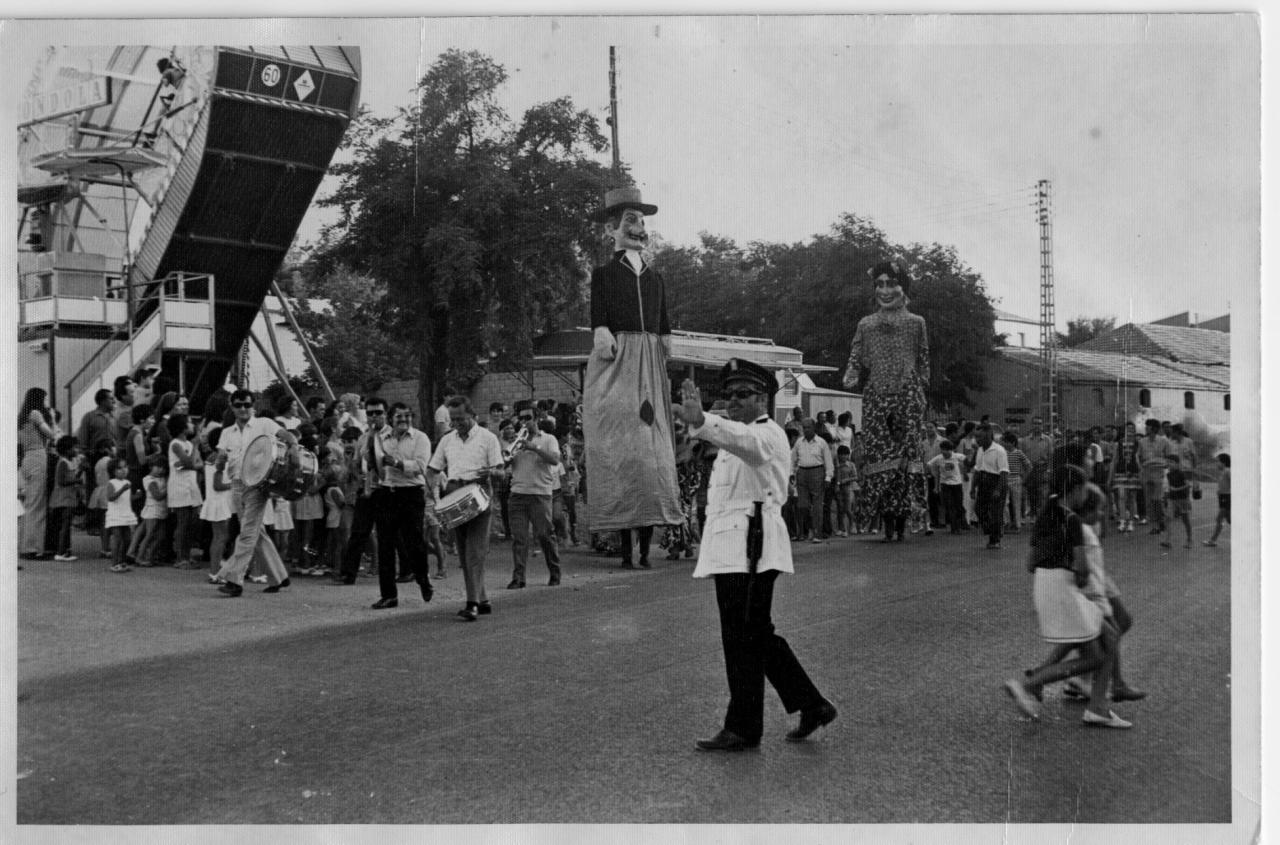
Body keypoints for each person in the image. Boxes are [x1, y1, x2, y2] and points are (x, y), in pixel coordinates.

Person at [676, 360, 836, 751]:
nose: (733, 401)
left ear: (762, 398)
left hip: (753, 546)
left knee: (745, 637)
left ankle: (745, 726)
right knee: (752, 636)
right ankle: (810, 704)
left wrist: (704, 422)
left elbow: (743, 441)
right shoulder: (735, 437)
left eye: (742, 395)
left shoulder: (770, 434)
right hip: (732, 549)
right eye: (728, 395)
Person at [583, 186, 682, 540]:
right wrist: (601, 329)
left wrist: (666, 336)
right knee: (616, 423)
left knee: (651, 427)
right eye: (630, 220)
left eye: (641, 221)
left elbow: (664, 316)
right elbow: (599, 310)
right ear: (612, 229)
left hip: (651, 357)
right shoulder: (606, 274)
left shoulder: (655, 277)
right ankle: (618, 515)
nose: (638, 227)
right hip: (620, 355)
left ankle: (656, 508)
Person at [1002, 464, 1131, 729]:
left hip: (1043, 583)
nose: (1086, 493)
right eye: (1084, 489)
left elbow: (1029, 562)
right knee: (1100, 651)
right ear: (1075, 490)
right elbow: (1083, 569)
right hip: (1065, 587)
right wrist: (1080, 578)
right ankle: (1030, 684)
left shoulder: (1047, 511)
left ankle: (1094, 705)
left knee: (1106, 640)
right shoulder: (1071, 519)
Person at [841, 260, 930, 544]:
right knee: (880, 458)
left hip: (907, 395)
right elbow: (856, 353)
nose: (885, 290)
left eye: (891, 284)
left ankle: (905, 521)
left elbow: (924, 358)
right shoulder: (866, 324)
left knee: (907, 459)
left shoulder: (916, 323)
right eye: (879, 284)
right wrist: (852, 370)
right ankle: (886, 522)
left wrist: (922, 386)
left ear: (903, 288)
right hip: (877, 396)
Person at [428, 395, 504, 621]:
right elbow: (433, 469)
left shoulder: (488, 438)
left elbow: (501, 472)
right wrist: (429, 490)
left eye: (461, 418)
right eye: (453, 419)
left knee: (475, 553)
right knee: (464, 553)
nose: (456, 423)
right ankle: (483, 599)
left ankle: (471, 604)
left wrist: (491, 473)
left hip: (478, 495)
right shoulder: (447, 440)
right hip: (454, 496)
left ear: (472, 415)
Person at [213, 389, 293, 597]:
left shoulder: (264, 424)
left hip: (258, 485)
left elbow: (287, 435)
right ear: (232, 407)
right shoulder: (226, 433)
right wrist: (220, 462)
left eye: (247, 405)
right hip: (236, 485)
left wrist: (293, 446)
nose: (243, 409)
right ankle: (279, 577)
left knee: (248, 532)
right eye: (238, 405)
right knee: (256, 533)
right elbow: (220, 459)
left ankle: (234, 580)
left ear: (253, 406)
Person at [369, 402, 435, 608]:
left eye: (407, 416)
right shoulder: (381, 439)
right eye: (399, 417)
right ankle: (389, 595)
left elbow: (421, 467)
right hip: (387, 493)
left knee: (414, 542)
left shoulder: (421, 438)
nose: (404, 420)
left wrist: (397, 464)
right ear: (390, 419)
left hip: (411, 494)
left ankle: (423, 579)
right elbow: (374, 463)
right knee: (386, 545)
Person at [504, 403, 563, 589]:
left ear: (536, 418)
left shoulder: (548, 439)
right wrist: (510, 452)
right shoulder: (514, 440)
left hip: (540, 494)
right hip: (518, 494)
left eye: (527, 418)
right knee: (519, 539)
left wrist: (533, 447)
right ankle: (518, 577)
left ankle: (555, 573)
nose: (523, 422)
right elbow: (504, 464)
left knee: (545, 536)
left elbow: (554, 460)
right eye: (520, 419)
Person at [331, 401, 390, 586]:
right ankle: (348, 573)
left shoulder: (391, 436)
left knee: (379, 534)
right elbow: (353, 468)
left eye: (378, 412)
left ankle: (380, 566)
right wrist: (349, 463)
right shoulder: (364, 438)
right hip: (360, 494)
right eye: (370, 413)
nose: (374, 416)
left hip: (383, 490)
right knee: (356, 533)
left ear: (385, 413)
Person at [18, 387, 58, 559]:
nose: (47, 403)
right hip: (38, 456)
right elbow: (51, 434)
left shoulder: (22, 417)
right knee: (37, 505)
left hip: (27, 458)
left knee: (30, 503)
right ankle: (32, 548)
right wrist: (53, 419)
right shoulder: (36, 414)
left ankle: (26, 545)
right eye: (45, 399)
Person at [166, 413, 204, 569]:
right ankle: (181, 557)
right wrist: (195, 447)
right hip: (179, 486)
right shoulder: (176, 444)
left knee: (192, 522)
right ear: (182, 427)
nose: (192, 425)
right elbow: (190, 462)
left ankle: (187, 555)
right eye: (189, 422)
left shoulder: (188, 444)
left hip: (191, 485)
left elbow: (198, 463)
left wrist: (192, 461)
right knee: (183, 523)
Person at [790, 418, 833, 544]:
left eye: (808, 427)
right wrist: (791, 473)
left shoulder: (821, 442)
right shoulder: (799, 442)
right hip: (802, 472)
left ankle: (817, 533)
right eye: (804, 428)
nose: (806, 430)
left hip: (817, 472)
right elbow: (793, 460)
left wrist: (828, 477)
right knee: (802, 505)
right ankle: (805, 531)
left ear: (814, 428)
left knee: (817, 505)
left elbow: (828, 461)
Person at [198, 427, 234, 576]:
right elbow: (217, 485)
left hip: (216, 501)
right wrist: (233, 485)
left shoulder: (212, 457)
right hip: (218, 502)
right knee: (220, 537)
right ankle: (214, 571)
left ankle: (216, 568)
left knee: (220, 537)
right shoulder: (218, 459)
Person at [969, 423, 1009, 549]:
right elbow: (977, 470)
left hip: (997, 482)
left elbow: (1004, 472)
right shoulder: (980, 450)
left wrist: (998, 489)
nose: (977, 440)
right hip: (983, 482)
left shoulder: (999, 450)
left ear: (988, 436)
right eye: (976, 437)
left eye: (979, 437)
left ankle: (995, 540)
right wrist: (972, 488)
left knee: (995, 513)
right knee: (979, 509)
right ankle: (992, 530)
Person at [49, 435, 83, 561]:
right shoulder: (63, 462)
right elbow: (62, 481)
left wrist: (80, 472)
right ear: (67, 450)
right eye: (74, 448)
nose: (77, 450)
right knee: (65, 525)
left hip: (68, 497)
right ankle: (61, 552)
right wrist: (77, 479)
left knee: (66, 525)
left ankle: (64, 551)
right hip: (63, 498)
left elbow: (72, 478)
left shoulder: (69, 462)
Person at [1137, 419, 1173, 536]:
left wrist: (1164, 464)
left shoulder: (1164, 441)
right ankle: (1155, 526)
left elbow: (1170, 457)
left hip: (1159, 472)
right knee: (1149, 501)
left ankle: (1161, 521)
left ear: (1153, 428)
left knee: (1157, 499)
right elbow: (1138, 456)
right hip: (1146, 472)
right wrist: (1141, 468)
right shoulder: (1142, 441)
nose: (1145, 428)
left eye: (1147, 427)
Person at [103, 457, 137, 573]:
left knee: (127, 539)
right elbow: (110, 497)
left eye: (125, 467)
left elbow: (127, 498)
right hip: (116, 515)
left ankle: (122, 561)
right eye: (119, 468)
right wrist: (122, 490)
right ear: (113, 471)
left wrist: (136, 496)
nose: (123, 470)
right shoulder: (112, 483)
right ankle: (114, 563)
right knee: (117, 539)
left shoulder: (127, 483)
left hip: (125, 514)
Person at [1109, 422, 1142, 532]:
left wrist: (1140, 473)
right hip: (1121, 473)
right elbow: (1114, 460)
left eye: (1132, 428)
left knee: (1132, 498)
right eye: (1128, 429)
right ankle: (1123, 521)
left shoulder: (1138, 443)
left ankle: (1131, 522)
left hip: (1133, 473)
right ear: (1125, 430)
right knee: (1122, 497)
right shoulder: (1119, 443)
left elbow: (1139, 459)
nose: (1130, 431)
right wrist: (1111, 476)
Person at [928, 439, 967, 533]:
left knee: (958, 505)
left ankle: (961, 524)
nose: (944, 452)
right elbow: (929, 464)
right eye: (942, 450)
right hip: (945, 484)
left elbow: (967, 460)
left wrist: (965, 472)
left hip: (957, 484)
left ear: (951, 450)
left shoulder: (957, 456)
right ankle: (955, 527)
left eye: (946, 450)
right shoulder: (939, 458)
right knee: (950, 506)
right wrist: (933, 473)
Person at [1018, 417, 1053, 518]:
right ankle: (1033, 514)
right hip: (1029, 470)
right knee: (1031, 493)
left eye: (1039, 423)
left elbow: (1051, 457)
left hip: (1042, 469)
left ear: (1042, 426)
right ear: (1032, 425)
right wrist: (1021, 471)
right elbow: (1021, 457)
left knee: (1041, 493)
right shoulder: (1025, 440)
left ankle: (1041, 516)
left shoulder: (1047, 440)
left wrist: (1049, 470)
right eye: (1035, 423)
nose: (1037, 426)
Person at [1161, 454, 1193, 549]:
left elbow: (1187, 485)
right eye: (1168, 462)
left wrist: (1177, 489)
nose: (1169, 464)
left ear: (1177, 464)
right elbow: (1170, 487)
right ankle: (1168, 540)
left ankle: (1189, 540)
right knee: (1168, 517)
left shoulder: (1181, 473)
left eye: (1171, 462)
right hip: (1172, 499)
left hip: (1182, 499)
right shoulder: (1169, 474)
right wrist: (1166, 497)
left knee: (1185, 519)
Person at [1001, 431, 1029, 533]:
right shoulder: (1003, 453)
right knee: (1004, 502)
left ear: (1012, 443)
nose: (1004, 444)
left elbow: (1028, 465)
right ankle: (1006, 522)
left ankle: (1017, 525)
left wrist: (1025, 478)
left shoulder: (1019, 453)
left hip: (1016, 479)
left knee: (1016, 503)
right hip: (1006, 479)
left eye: (1007, 442)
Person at [1203, 453, 1231, 547]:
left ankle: (1212, 540)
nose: (1216, 464)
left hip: (1227, 498)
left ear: (1223, 462)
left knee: (1219, 519)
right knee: (1229, 519)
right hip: (1223, 498)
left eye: (1217, 461)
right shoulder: (1223, 472)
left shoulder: (1228, 471)